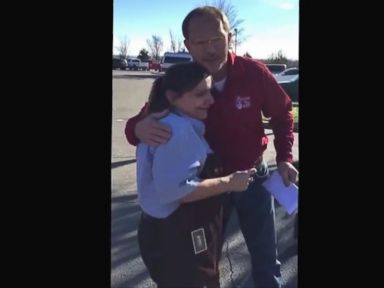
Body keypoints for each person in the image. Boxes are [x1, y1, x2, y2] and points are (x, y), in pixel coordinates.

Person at [126, 6, 298, 288]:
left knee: (266, 256)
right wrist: (137, 128)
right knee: (203, 262)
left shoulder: (254, 73)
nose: (211, 49)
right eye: (201, 42)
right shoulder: (180, 82)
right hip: (205, 188)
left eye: (217, 39)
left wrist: (284, 158)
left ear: (230, 36)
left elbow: (282, 114)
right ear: (187, 45)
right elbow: (137, 125)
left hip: (252, 177)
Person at [135, 62, 256, 288]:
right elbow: (178, 191)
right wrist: (229, 182)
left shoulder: (162, 121)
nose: (210, 99)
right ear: (172, 97)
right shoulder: (177, 130)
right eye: (200, 94)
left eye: (209, 91)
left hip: (162, 234)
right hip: (176, 237)